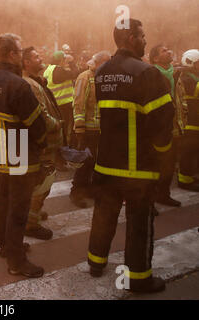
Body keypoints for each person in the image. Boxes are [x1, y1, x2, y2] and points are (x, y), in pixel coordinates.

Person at [87, 18, 174, 293]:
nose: (146, 41)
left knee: (103, 214)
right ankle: (138, 278)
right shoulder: (147, 73)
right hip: (138, 169)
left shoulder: (101, 72)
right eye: (143, 36)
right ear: (132, 39)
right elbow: (162, 122)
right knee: (139, 222)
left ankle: (96, 261)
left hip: (106, 164)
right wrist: (162, 155)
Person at [0, 33, 47, 278]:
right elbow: (36, 124)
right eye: (20, 52)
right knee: (19, 207)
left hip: (2, 151)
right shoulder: (18, 84)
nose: (21, 56)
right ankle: (16, 261)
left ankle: (6, 246)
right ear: (12, 54)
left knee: (3, 198)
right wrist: (42, 145)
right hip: (20, 153)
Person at [21, 46, 64, 240]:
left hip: (47, 142)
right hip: (45, 142)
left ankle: (34, 212)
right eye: (36, 56)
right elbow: (42, 116)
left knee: (41, 181)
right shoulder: (30, 84)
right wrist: (57, 124)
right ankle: (31, 223)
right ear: (26, 62)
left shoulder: (35, 81)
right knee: (43, 182)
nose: (41, 58)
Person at [70, 51, 111, 208]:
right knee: (85, 162)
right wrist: (79, 129)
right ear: (99, 62)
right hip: (88, 129)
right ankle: (76, 192)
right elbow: (78, 103)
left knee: (96, 162)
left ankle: (90, 189)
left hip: (101, 129)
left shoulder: (103, 77)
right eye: (106, 62)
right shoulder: (85, 77)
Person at [149, 45, 183, 206]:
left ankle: (163, 194)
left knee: (169, 164)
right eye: (164, 50)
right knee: (154, 165)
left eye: (168, 49)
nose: (169, 51)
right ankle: (148, 200)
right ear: (155, 59)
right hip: (158, 129)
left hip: (173, 126)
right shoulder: (151, 74)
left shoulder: (175, 74)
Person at [43, 50, 80, 147]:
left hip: (54, 104)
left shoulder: (48, 69)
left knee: (58, 128)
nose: (66, 62)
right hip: (64, 104)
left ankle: (61, 147)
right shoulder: (58, 70)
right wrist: (72, 63)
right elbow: (75, 73)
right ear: (61, 60)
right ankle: (66, 148)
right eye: (65, 60)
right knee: (67, 129)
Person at [176, 49, 199, 191]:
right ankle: (184, 180)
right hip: (190, 122)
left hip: (195, 121)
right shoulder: (186, 78)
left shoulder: (192, 76)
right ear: (190, 63)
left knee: (193, 151)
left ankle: (189, 176)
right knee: (188, 152)